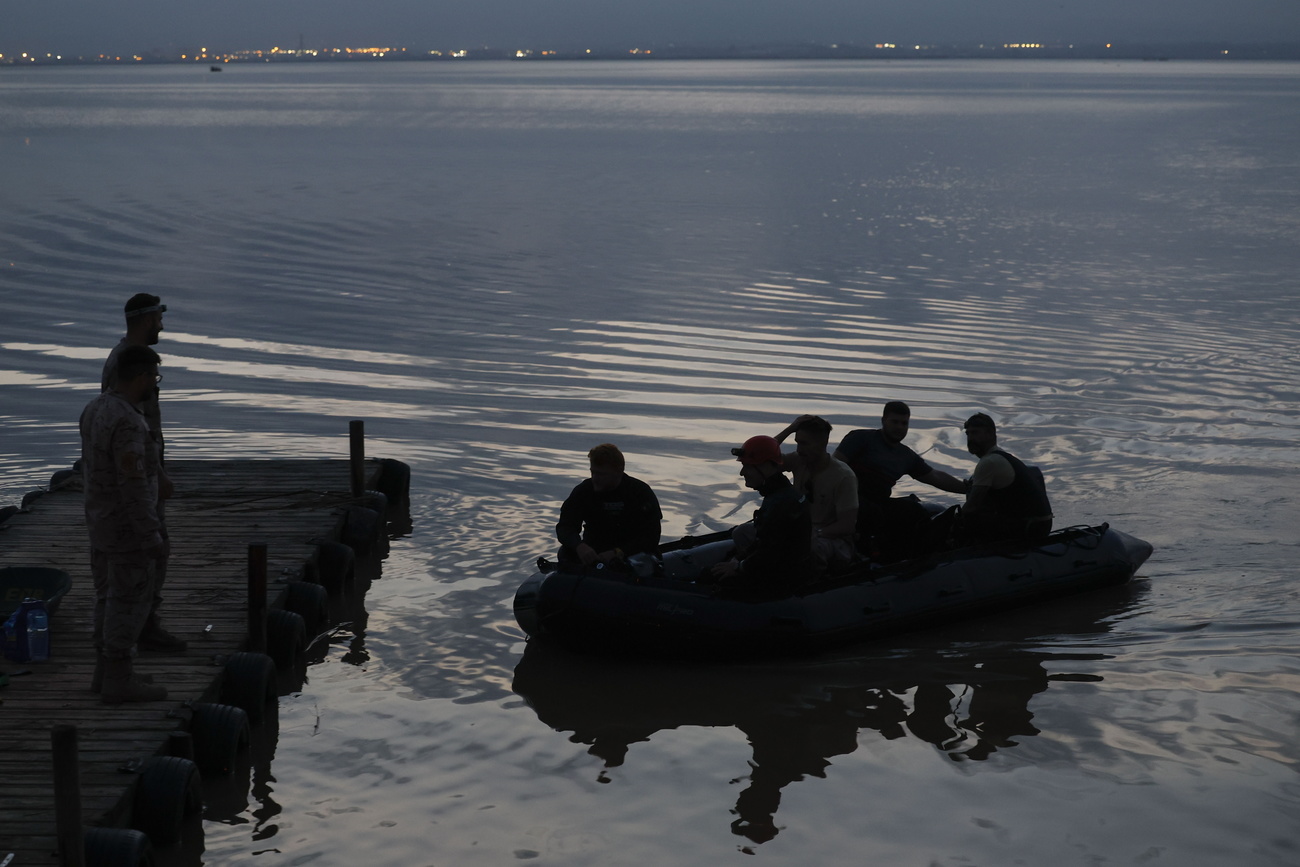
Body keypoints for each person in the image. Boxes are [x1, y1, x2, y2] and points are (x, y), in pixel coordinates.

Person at [81, 345, 169, 703]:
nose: (155, 384)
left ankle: (104, 673)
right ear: (142, 377)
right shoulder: (130, 421)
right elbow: (131, 484)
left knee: (107, 596)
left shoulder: (95, 408)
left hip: (98, 522)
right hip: (126, 527)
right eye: (154, 377)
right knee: (129, 600)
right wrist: (150, 534)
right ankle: (119, 678)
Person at [101, 293, 184, 652]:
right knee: (148, 554)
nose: (162, 325)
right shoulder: (124, 364)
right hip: (136, 478)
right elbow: (121, 430)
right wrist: (153, 476)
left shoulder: (131, 360)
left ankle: (142, 625)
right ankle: (138, 632)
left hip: (147, 469)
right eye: (158, 319)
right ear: (147, 318)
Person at [832, 400, 967, 560]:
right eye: (894, 422)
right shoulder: (860, 438)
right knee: (871, 513)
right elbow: (834, 468)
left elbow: (935, 477)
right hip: (849, 499)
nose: (899, 427)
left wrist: (967, 488)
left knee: (913, 510)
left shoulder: (907, 456)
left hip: (879, 502)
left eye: (904, 423)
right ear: (883, 421)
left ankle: (901, 559)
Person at [710, 435, 812, 592]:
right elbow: (765, 543)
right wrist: (737, 560)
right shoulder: (783, 495)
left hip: (780, 581)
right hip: (787, 572)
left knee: (713, 580)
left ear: (764, 466)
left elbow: (769, 554)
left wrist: (738, 568)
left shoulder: (780, 504)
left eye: (747, 466)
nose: (742, 472)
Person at [556, 443, 663, 568]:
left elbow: (652, 535)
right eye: (593, 472)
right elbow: (565, 527)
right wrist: (579, 546)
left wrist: (619, 552)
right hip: (595, 552)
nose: (595, 478)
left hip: (632, 553)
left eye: (601, 474)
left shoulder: (639, 492)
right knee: (565, 552)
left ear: (619, 472)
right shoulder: (584, 491)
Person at [773, 415, 858, 571]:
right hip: (799, 532)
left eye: (804, 444)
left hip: (831, 540)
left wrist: (815, 533)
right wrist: (791, 429)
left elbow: (847, 525)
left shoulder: (844, 476)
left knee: (807, 546)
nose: (799, 449)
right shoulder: (798, 459)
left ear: (822, 443)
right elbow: (764, 458)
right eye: (797, 443)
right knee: (743, 533)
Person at [959, 412, 1053, 544]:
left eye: (975, 433)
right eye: (967, 434)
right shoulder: (1002, 456)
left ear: (990, 434)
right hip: (1041, 526)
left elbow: (971, 507)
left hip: (1027, 529)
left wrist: (953, 524)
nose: (970, 439)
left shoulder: (989, 462)